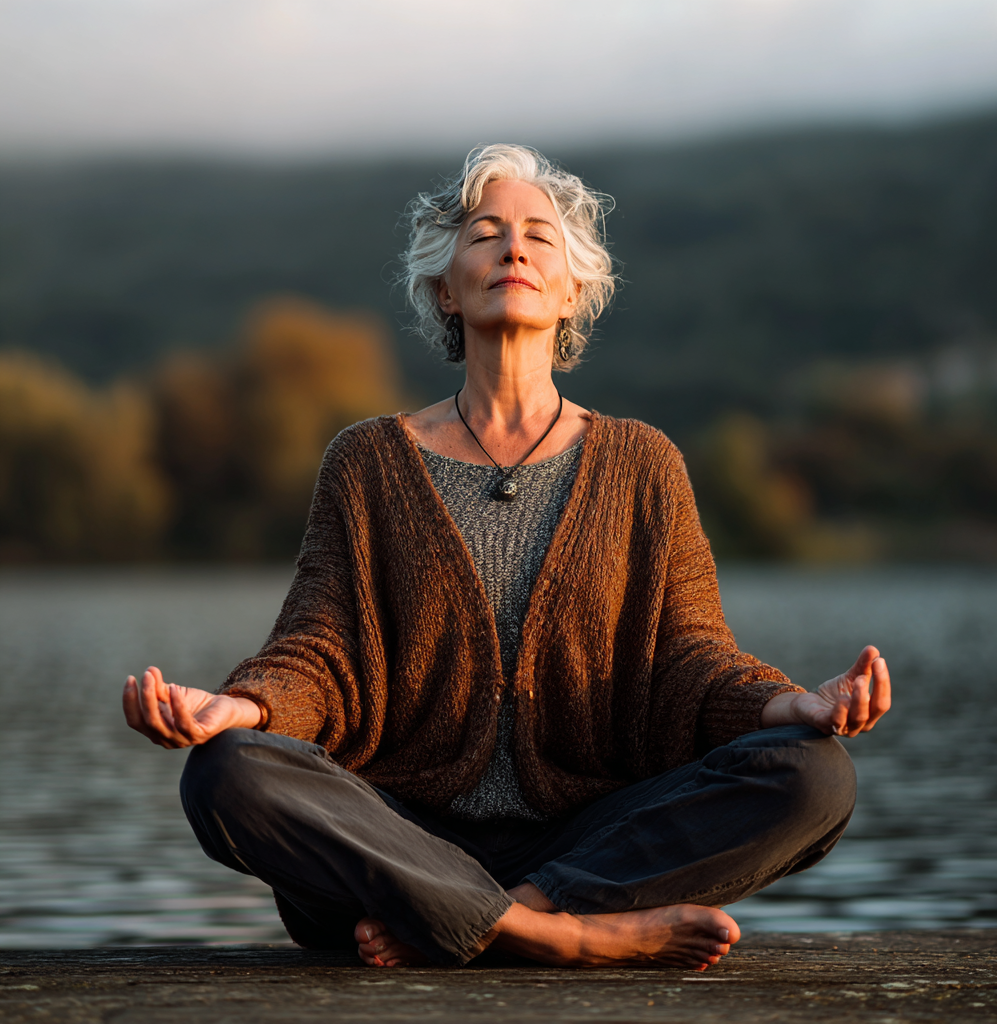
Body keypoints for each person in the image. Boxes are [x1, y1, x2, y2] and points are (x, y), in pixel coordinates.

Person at [122, 144, 891, 970]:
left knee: (816, 777)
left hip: (588, 842)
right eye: (486, 233)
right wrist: (246, 708)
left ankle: (475, 919)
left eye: (538, 237)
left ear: (572, 291)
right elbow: (321, 654)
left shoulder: (642, 463)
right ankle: (558, 935)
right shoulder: (368, 460)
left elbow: (690, 661)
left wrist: (790, 707)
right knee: (225, 772)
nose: (513, 248)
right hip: (399, 836)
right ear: (445, 289)